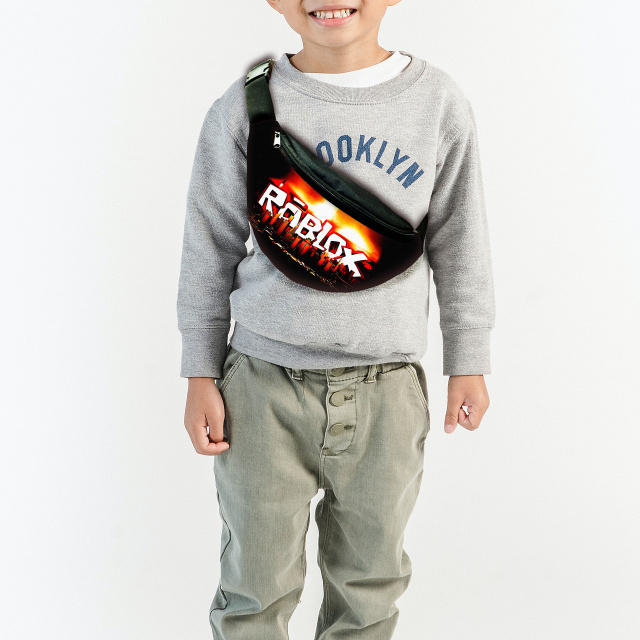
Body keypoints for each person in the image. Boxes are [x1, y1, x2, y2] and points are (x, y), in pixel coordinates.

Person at [177, 1, 496, 638]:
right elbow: (208, 245)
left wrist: (469, 359)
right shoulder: (244, 109)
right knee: (254, 587)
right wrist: (199, 371)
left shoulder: (437, 102)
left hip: (388, 391)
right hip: (261, 387)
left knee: (370, 589)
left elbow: (461, 240)